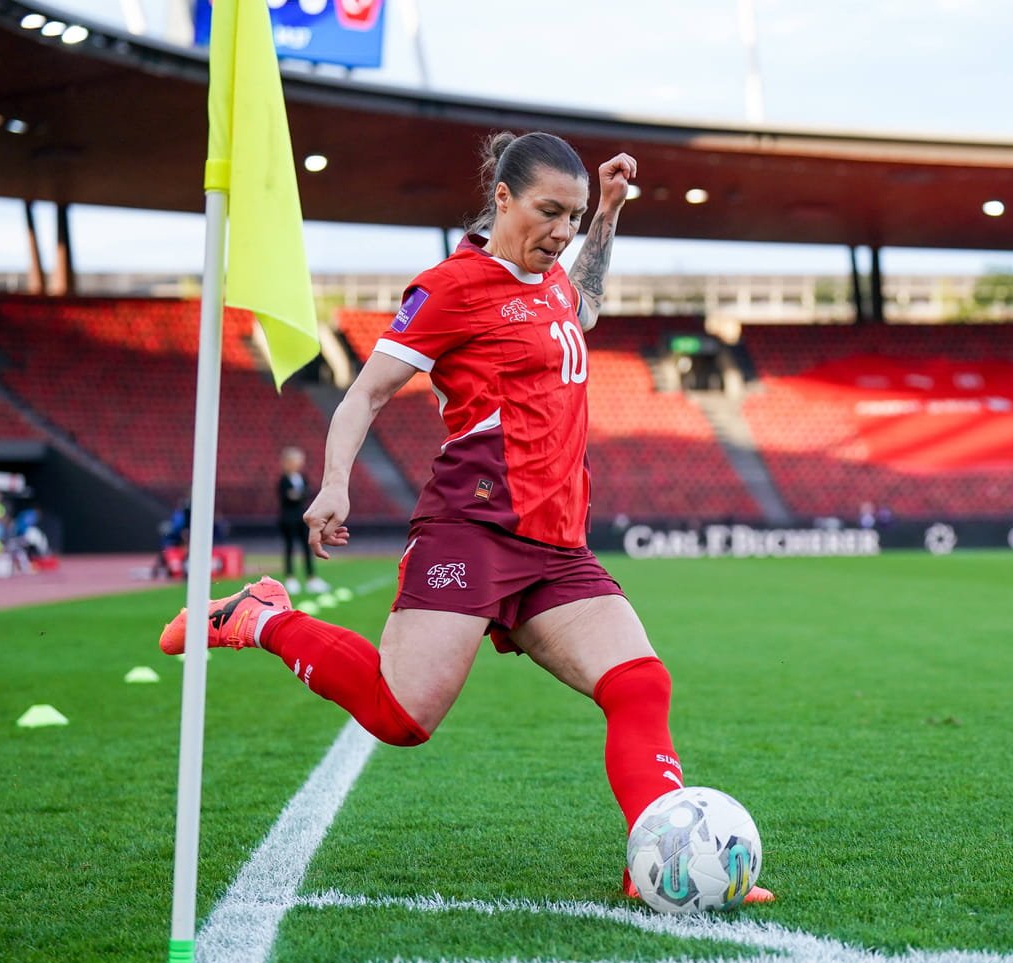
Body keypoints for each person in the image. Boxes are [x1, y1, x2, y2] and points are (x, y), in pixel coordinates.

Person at [161, 131, 771, 904]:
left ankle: (658, 860)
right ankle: (262, 616)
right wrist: (335, 483)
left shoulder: (552, 279)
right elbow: (366, 394)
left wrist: (607, 217)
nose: (562, 231)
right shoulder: (451, 287)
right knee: (400, 718)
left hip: (557, 544)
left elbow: (579, 313)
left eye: (573, 216)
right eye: (551, 212)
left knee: (641, 684)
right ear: (504, 199)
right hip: (473, 532)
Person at [277, 446, 327, 595]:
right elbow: (288, 497)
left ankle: (311, 578)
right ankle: (290, 578)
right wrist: (298, 494)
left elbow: (305, 493)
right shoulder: (283, 480)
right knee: (289, 547)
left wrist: (297, 494)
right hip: (288, 519)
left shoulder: (302, 477)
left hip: (303, 518)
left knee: (307, 547)